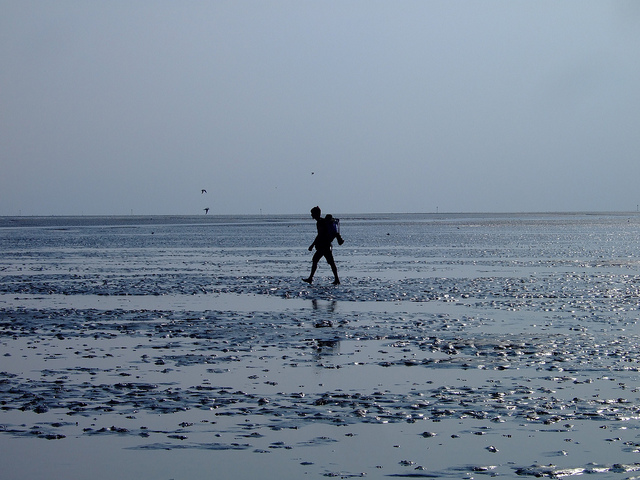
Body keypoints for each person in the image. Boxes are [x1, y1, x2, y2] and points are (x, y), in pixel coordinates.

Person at [303, 206, 343, 285]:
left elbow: (320, 235)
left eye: (312, 214)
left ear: (316, 214)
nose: (311, 215)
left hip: (324, 246)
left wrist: (312, 245)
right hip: (326, 245)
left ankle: (311, 278)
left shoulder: (320, 222)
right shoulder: (322, 221)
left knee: (318, 260)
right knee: (328, 262)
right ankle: (336, 279)